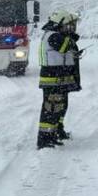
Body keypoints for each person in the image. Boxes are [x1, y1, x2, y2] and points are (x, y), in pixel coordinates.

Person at [36, 10, 82, 149]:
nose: (71, 28)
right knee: (50, 110)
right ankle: (44, 140)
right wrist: (72, 39)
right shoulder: (53, 36)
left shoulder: (58, 35)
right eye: (68, 25)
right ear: (60, 23)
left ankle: (53, 134)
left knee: (58, 109)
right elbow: (64, 46)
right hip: (52, 80)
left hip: (59, 80)